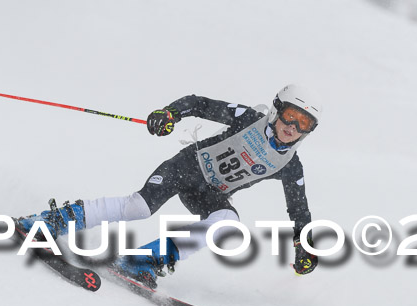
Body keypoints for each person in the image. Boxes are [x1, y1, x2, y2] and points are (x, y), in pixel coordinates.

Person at [16, 84, 321, 289]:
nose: (291, 128)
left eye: (302, 124)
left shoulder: (290, 165)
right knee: (138, 207)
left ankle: (141, 261)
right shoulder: (248, 119)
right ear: (276, 110)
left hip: (209, 193)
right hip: (186, 168)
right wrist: (170, 114)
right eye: (290, 116)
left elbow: (299, 210)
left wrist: (303, 245)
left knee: (227, 224)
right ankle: (49, 221)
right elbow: (199, 104)